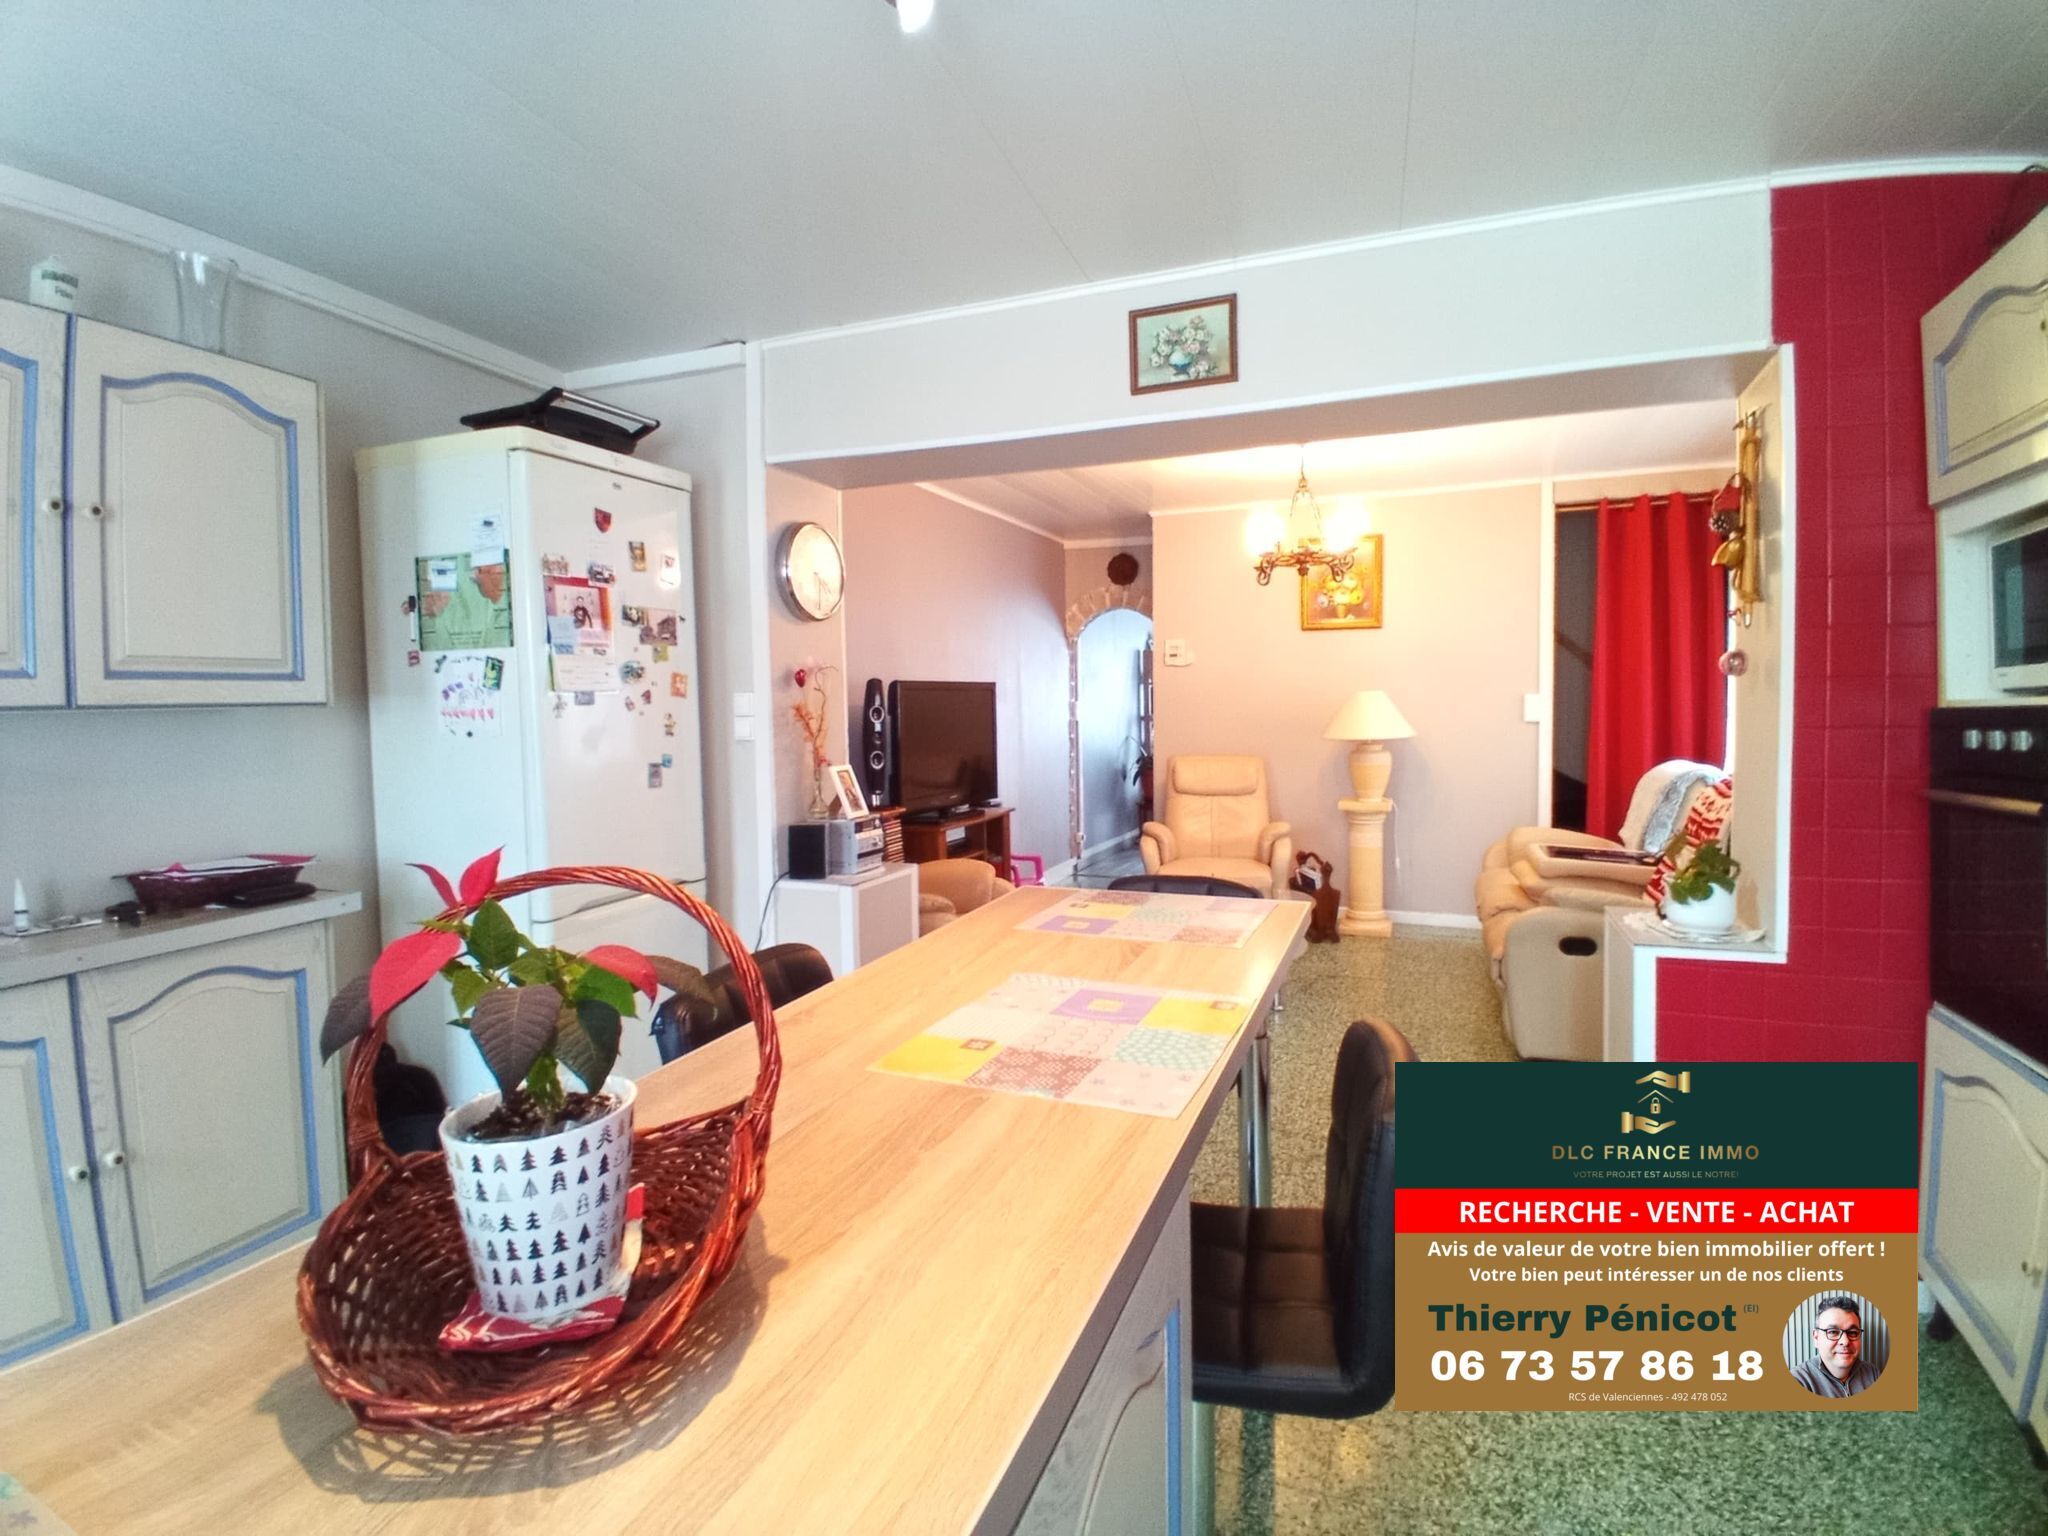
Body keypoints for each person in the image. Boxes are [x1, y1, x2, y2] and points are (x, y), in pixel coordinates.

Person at [1790, 1296, 1881, 1398]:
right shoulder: (1798, 1380)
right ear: (1816, 1338)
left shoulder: (1873, 1374)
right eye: (1833, 1332)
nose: (1845, 1342)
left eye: (1852, 1332)